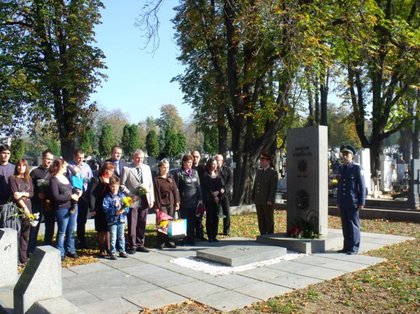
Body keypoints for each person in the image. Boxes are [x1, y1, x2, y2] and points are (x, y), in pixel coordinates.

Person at [121, 149, 154, 254]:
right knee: (132, 223)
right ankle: (132, 244)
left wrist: (151, 199)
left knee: (142, 222)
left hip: (144, 199)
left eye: (141, 158)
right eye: (137, 157)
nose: (139, 160)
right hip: (132, 200)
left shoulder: (146, 168)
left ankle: (140, 243)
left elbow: (150, 184)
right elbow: (122, 185)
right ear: (133, 157)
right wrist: (131, 194)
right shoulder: (126, 169)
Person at [337, 144, 366, 255]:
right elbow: (340, 186)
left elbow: (362, 186)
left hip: (353, 201)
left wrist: (361, 202)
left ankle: (354, 247)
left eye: (347, 154)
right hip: (343, 201)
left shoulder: (357, 168)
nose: (344, 156)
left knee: (353, 225)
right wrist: (338, 201)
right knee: (345, 225)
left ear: (352, 156)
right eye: (343, 154)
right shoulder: (341, 168)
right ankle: (346, 246)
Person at [49, 158, 81, 261]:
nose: (66, 167)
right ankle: (60, 251)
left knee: (71, 230)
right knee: (62, 231)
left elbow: (76, 174)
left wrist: (76, 193)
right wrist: (70, 197)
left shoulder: (66, 177)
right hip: (61, 208)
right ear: (60, 166)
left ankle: (71, 249)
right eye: (64, 166)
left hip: (72, 207)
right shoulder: (54, 179)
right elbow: (56, 197)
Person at [173, 154, 202, 246]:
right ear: (184, 162)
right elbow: (176, 189)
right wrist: (177, 201)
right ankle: (183, 239)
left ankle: (191, 238)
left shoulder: (195, 172)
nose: (190, 164)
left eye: (191, 162)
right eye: (188, 162)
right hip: (184, 201)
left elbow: (198, 186)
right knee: (183, 221)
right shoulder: (179, 173)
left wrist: (200, 198)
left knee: (192, 221)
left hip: (194, 201)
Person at [29, 149, 54, 253]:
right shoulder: (35, 172)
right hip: (37, 204)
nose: (49, 161)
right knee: (34, 227)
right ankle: (30, 250)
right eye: (47, 159)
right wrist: (37, 195)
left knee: (50, 227)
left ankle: (47, 249)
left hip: (50, 204)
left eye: (51, 159)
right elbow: (29, 188)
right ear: (43, 158)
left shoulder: (54, 172)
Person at [9, 159, 34, 264]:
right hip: (19, 208)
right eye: (19, 166)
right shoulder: (12, 178)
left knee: (25, 234)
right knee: (18, 233)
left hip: (29, 207)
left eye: (23, 166)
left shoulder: (28, 178)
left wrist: (22, 193)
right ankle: (16, 258)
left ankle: (23, 258)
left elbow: (31, 193)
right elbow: (16, 196)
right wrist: (25, 209)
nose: (21, 168)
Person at [68, 148, 93, 249]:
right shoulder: (69, 166)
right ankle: (70, 241)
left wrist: (86, 181)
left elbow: (90, 179)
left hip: (84, 195)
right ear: (74, 157)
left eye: (82, 158)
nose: (80, 160)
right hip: (72, 195)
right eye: (78, 158)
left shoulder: (86, 167)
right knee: (72, 219)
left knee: (82, 220)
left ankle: (81, 240)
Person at [89, 161, 115, 258]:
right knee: (100, 230)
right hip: (99, 208)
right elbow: (92, 195)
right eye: (108, 170)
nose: (110, 172)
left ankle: (109, 248)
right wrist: (93, 208)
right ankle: (102, 249)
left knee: (108, 229)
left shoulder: (112, 180)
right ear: (104, 169)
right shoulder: (96, 180)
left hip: (109, 209)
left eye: (112, 170)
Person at [153, 159, 180, 249]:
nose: (165, 169)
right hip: (162, 203)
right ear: (160, 167)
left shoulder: (171, 177)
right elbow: (156, 193)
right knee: (163, 223)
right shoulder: (157, 179)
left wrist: (177, 202)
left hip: (171, 202)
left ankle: (170, 241)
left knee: (171, 223)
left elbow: (175, 190)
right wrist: (157, 206)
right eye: (164, 167)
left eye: (167, 167)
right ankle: (161, 242)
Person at [102, 176, 128, 260]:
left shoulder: (122, 196)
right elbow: (105, 208)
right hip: (112, 220)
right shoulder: (107, 197)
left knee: (121, 236)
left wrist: (124, 209)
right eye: (112, 186)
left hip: (121, 219)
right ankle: (112, 252)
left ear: (119, 186)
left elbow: (127, 206)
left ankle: (122, 251)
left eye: (116, 186)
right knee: (113, 237)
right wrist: (114, 211)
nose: (114, 188)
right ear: (110, 186)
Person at [252, 152, 278, 235]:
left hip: (267, 200)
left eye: (263, 160)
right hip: (259, 199)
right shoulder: (259, 172)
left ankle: (270, 234)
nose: (261, 162)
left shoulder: (273, 173)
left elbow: (273, 188)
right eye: (261, 160)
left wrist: (270, 199)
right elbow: (256, 185)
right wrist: (253, 197)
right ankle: (262, 234)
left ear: (268, 161)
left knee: (268, 219)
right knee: (260, 218)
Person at [202, 158, 223, 242]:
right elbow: (207, 187)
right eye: (212, 164)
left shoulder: (218, 175)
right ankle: (210, 236)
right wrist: (214, 195)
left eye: (215, 164)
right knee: (209, 218)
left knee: (216, 218)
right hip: (209, 199)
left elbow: (221, 186)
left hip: (217, 200)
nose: (214, 165)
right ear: (209, 165)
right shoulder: (206, 175)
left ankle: (214, 235)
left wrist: (218, 194)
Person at [215, 154, 233, 236]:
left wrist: (225, 189)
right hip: (216, 195)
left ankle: (226, 230)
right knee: (216, 213)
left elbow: (230, 182)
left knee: (227, 213)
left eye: (220, 160)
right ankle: (214, 230)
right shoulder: (213, 170)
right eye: (217, 160)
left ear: (222, 161)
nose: (218, 162)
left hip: (225, 195)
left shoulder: (227, 170)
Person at [191, 150, 206, 241]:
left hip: (201, 197)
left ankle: (200, 234)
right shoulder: (188, 168)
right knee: (192, 217)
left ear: (200, 158)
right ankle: (191, 235)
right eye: (194, 156)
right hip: (191, 196)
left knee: (200, 216)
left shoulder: (203, 169)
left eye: (197, 157)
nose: (195, 158)